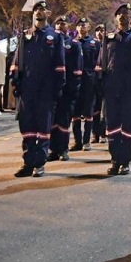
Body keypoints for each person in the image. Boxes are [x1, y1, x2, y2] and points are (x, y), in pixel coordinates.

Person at [13, 1, 67, 178]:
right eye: (36, 9)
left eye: (42, 9)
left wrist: (58, 87)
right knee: (27, 126)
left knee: (43, 127)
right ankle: (28, 163)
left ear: (48, 13)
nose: (38, 12)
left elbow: (60, 64)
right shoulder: (25, 35)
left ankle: (40, 163)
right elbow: (17, 61)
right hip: (27, 87)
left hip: (46, 89)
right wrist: (15, 81)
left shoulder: (55, 36)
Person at [100, 3, 131, 176]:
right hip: (112, 87)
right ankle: (114, 159)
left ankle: (125, 161)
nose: (122, 16)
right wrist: (100, 86)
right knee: (112, 125)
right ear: (116, 18)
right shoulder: (109, 38)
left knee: (128, 124)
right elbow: (102, 64)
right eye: (120, 14)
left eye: (126, 13)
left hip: (130, 88)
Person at [51, 15, 82, 161]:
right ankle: (53, 150)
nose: (60, 25)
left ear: (68, 26)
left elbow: (78, 68)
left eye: (63, 23)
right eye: (58, 23)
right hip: (52, 88)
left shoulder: (74, 44)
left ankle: (63, 149)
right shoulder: (50, 42)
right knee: (52, 121)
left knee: (64, 121)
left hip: (67, 89)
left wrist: (74, 87)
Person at [72, 20, 101, 150]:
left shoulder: (94, 43)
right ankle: (77, 141)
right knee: (75, 113)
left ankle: (86, 141)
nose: (81, 27)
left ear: (88, 27)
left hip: (90, 81)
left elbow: (99, 63)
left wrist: (98, 81)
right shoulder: (73, 42)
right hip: (75, 81)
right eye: (79, 25)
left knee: (89, 112)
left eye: (84, 25)